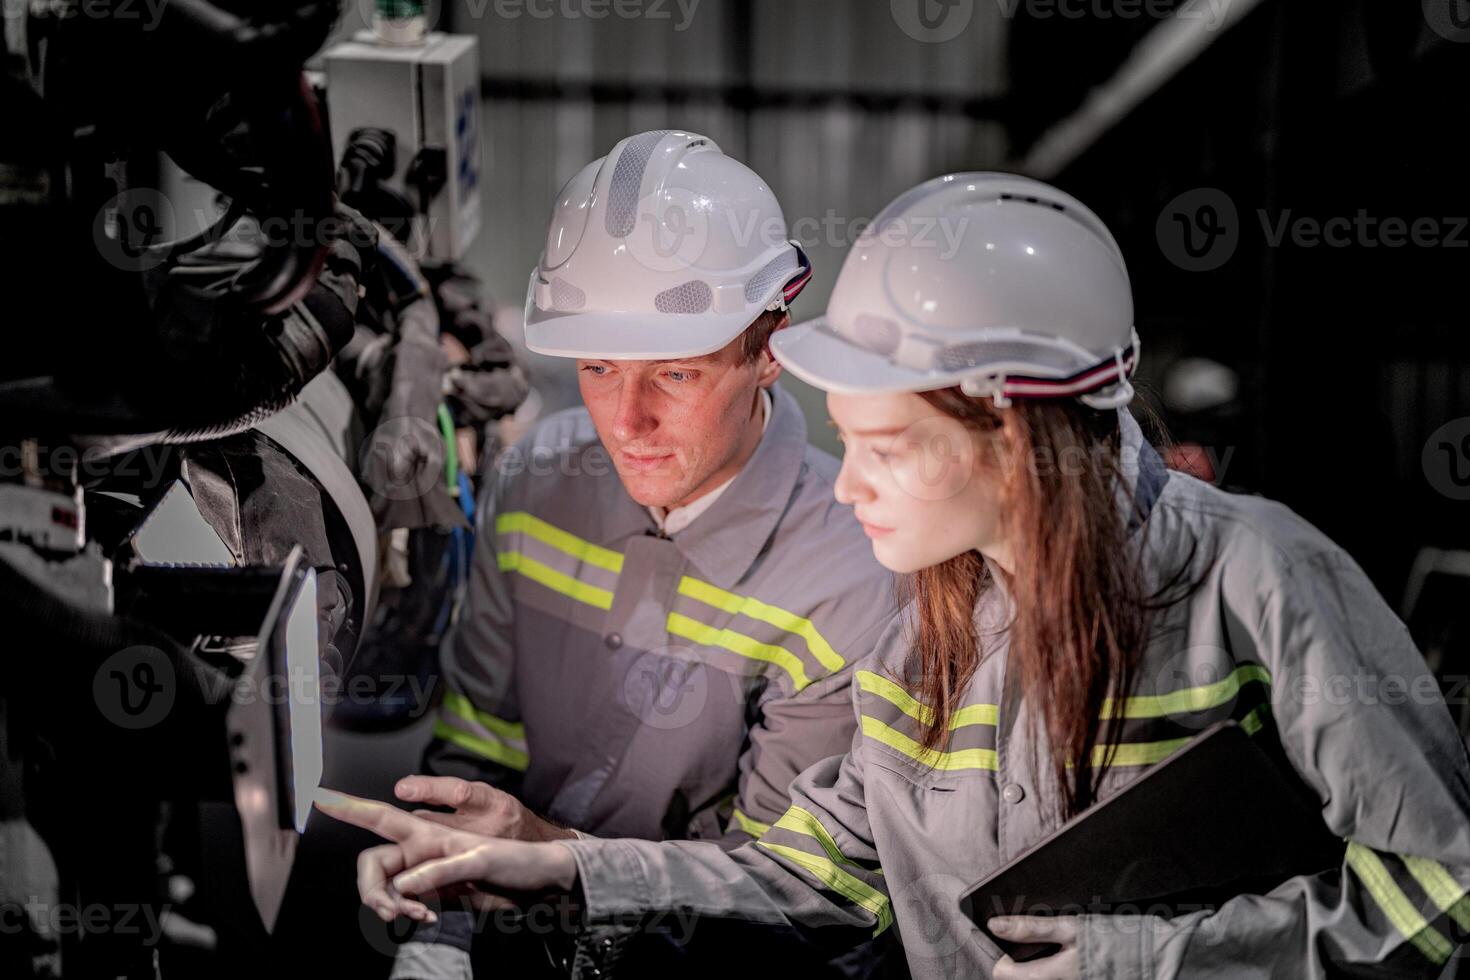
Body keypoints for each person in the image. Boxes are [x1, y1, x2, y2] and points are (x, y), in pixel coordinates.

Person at [324, 173, 1470, 979]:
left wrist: (1154, 960)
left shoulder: (1260, 578)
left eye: (886, 446)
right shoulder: (931, 630)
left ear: (1010, 435)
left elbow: (1447, 888)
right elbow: (821, 879)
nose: (846, 482)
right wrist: (566, 868)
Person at [387, 130, 900, 979]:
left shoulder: (851, 576)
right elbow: (476, 749)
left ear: (768, 346)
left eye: (675, 375)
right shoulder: (534, 483)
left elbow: (793, 895)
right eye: (597, 366)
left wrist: (557, 860)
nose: (625, 423)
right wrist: (439, 928)